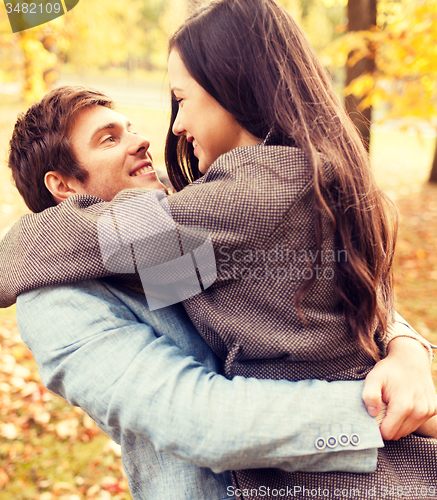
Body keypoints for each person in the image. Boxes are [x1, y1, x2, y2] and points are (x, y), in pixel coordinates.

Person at [0, 0, 436, 493]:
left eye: (179, 101)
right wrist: (391, 406)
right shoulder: (58, 300)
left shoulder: (231, 202)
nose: (155, 137)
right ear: (62, 187)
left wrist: (406, 349)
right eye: (108, 139)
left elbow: (295, 277)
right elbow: (203, 418)